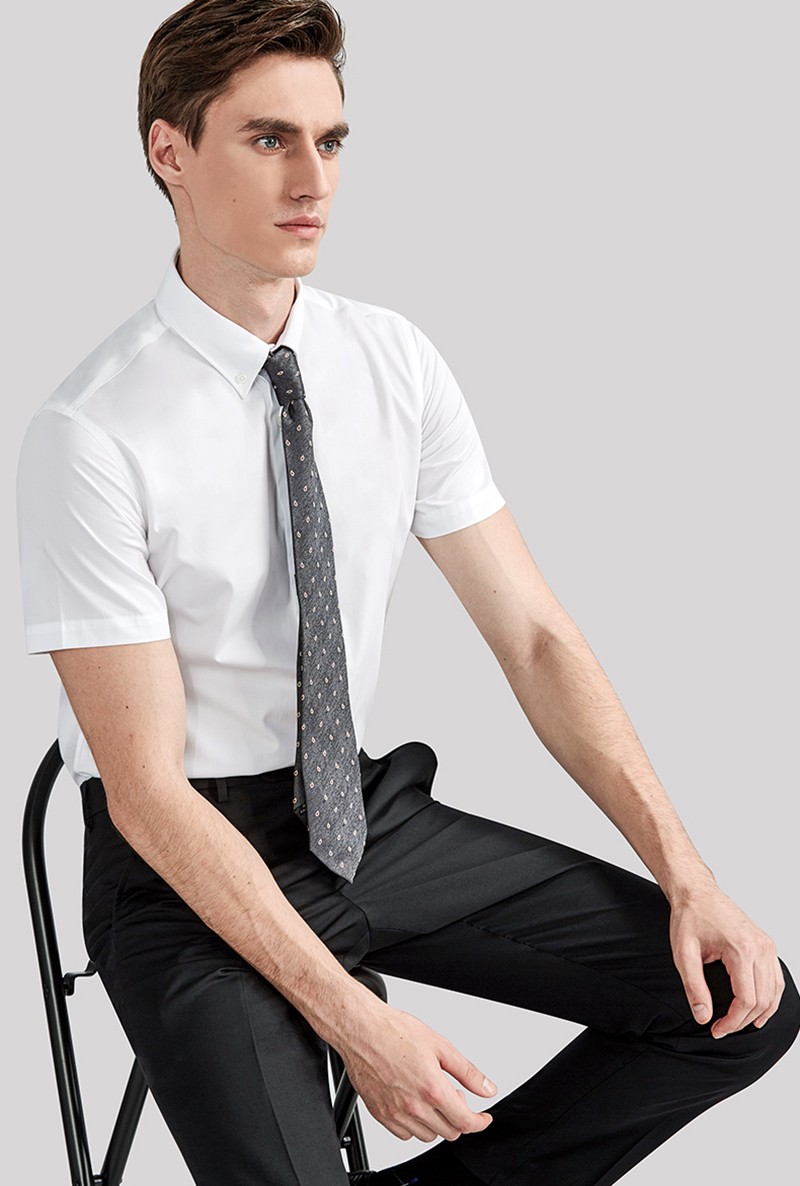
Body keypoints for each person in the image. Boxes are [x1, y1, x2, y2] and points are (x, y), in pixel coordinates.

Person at [15, 2, 799, 1184]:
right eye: (269, 139)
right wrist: (354, 1020)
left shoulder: (391, 362)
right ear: (168, 151)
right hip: (181, 866)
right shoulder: (92, 432)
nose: (313, 180)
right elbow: (148, 794)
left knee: (736, 1001)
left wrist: (688, 875)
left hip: (360, 822)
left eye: (330, 141)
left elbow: (533, 638)